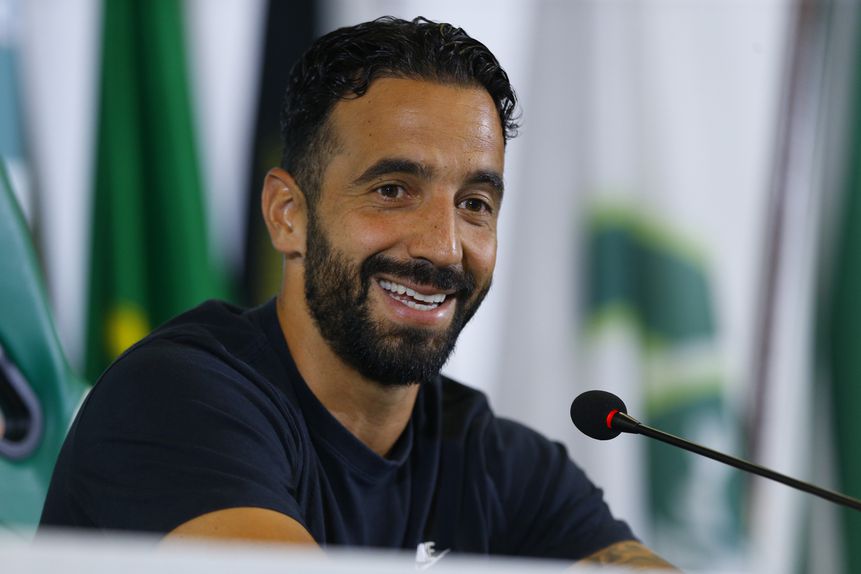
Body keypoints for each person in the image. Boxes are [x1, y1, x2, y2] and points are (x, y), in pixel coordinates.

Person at [40, 16, 674, 569]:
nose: (443, 248)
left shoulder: (496, 462)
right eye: (393, 191)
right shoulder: (176, 400)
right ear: (288, 214)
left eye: (475, 204)